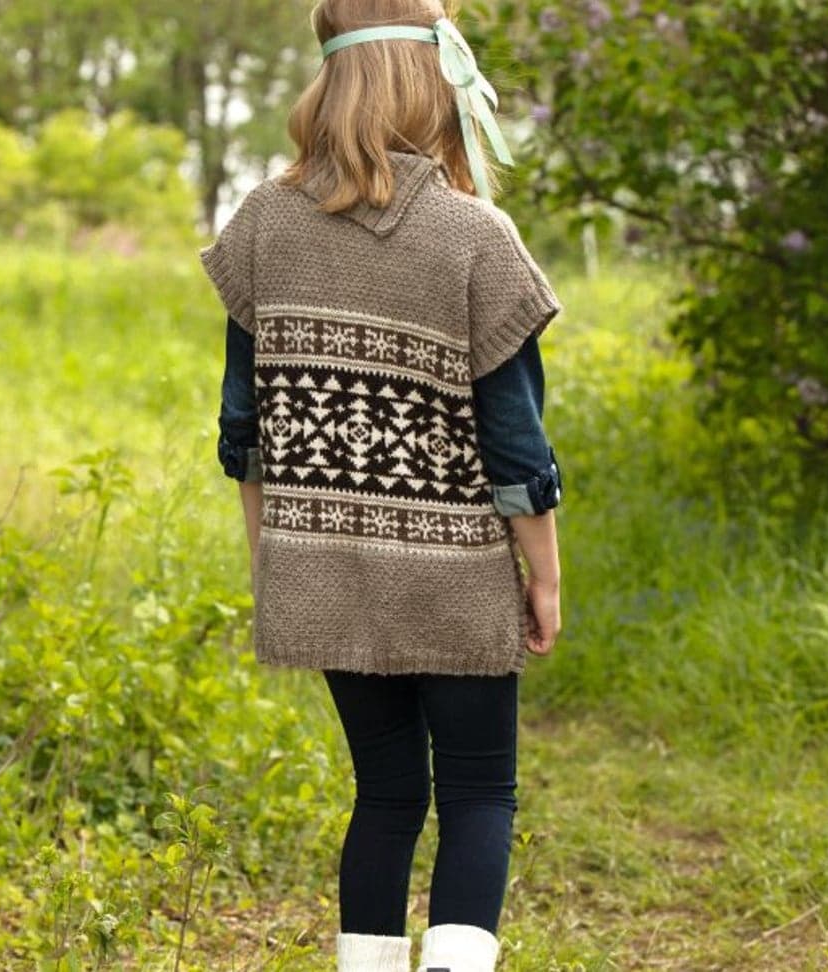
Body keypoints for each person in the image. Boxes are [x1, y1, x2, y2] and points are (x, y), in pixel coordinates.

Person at [200, 3, 564, 970]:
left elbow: (246, 432)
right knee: (479, 793)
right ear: (432, 82)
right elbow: (515, 445)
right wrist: (545, 577)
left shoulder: (263, 223)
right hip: (457, 576)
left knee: (387, 793)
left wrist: (276, 562)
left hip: (323, 568)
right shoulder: (475, 235)